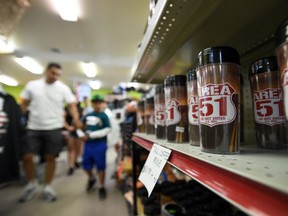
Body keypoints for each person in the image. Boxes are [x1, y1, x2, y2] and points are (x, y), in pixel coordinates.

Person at [19, 63, 81, 202]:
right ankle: (32, 183)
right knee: (27, 157)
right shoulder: (32, 85)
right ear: (46, 71)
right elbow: (23, 102)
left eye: (58, 74)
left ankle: (47, 186)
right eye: (53, 73)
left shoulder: (62, 88)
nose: (55, 77)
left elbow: (71, 105)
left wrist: (76, 119)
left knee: (51, 157)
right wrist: (21, 117)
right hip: (33, 127)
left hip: (53, 127)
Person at [79, 94, 111, 200]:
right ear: (92, 103)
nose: (97, 104)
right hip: (88, 144)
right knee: (86, 164)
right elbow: (80, 126)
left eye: (99, 102)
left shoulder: (104, 116)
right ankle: (91, 178)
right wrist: (81, 135)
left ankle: (102, 186)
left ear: (101, 104)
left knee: (100, 166)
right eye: (95, 102)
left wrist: (92, 135)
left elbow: (107, 129)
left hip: (100, 143)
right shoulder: (87, 115)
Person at [63, 94, 83, 176]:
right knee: (71, 149)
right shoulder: (66, 109)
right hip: (70, 131)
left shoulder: (80, 109)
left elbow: (81, 121)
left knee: (78, 148)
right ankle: (71, 165)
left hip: (79, 131)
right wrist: (68, 127)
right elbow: (62, 119)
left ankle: (75, 161)